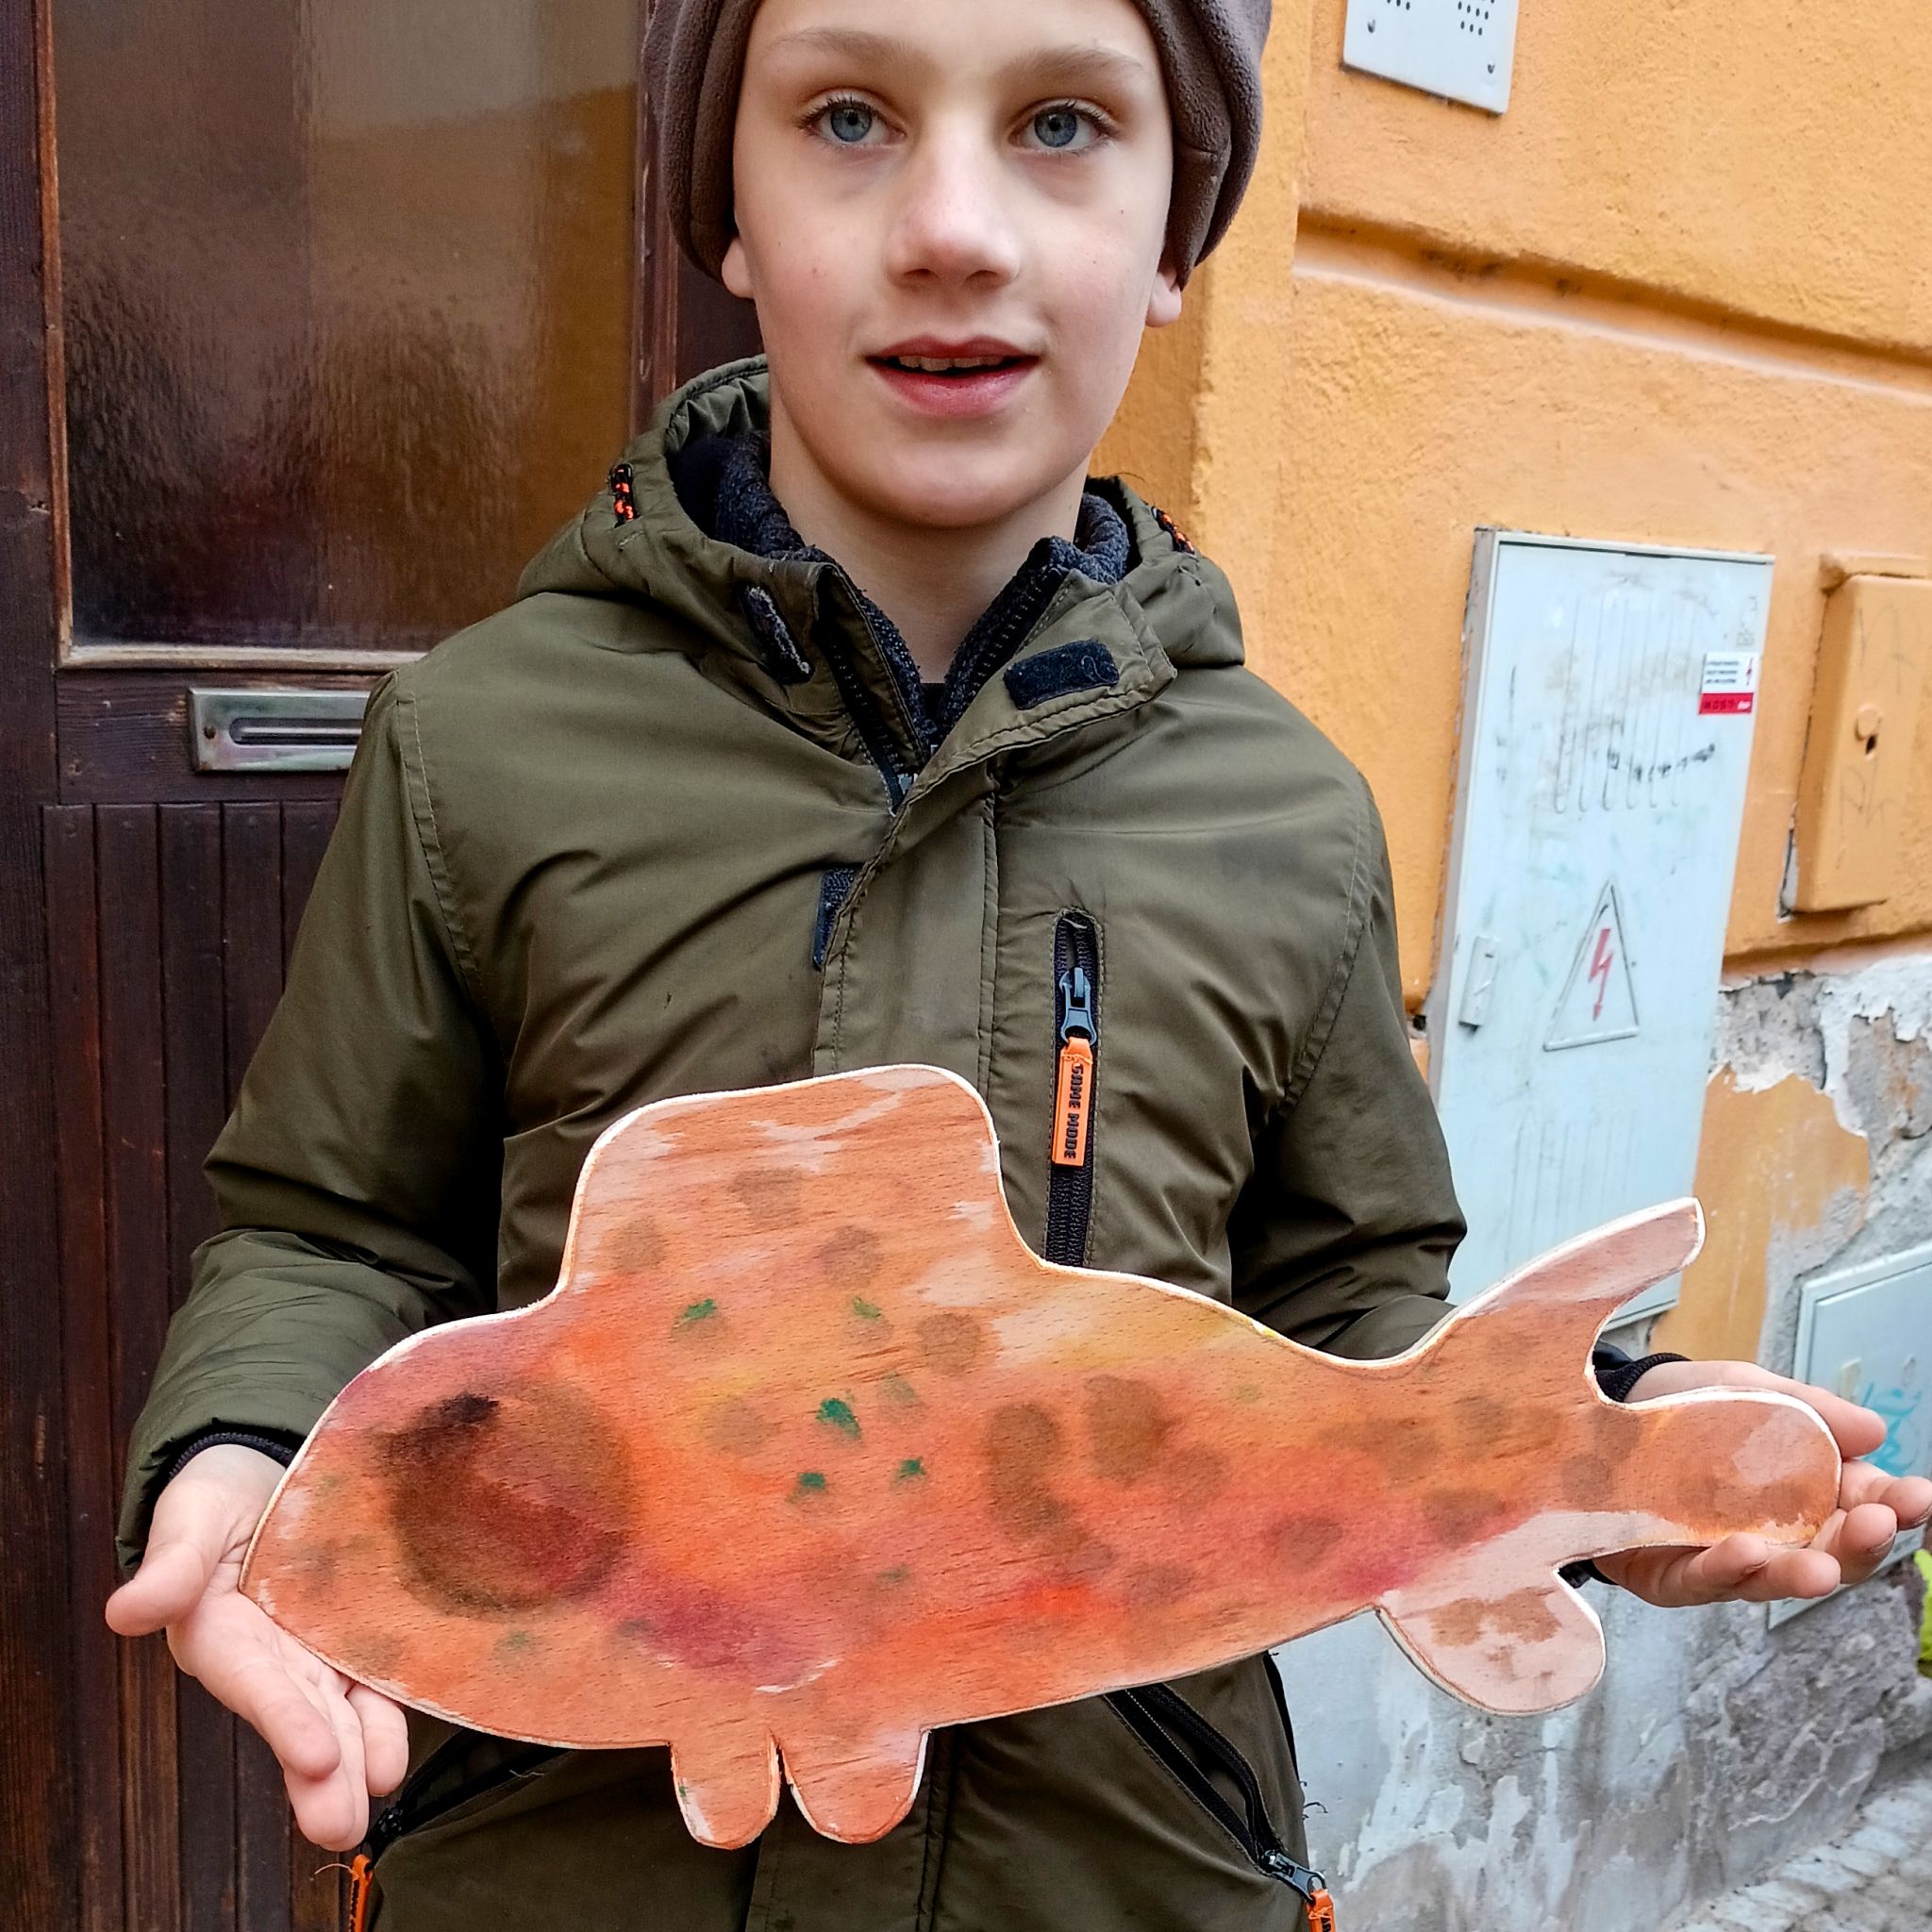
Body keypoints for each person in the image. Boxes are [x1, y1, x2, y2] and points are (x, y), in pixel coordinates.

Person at [104, 0, 1932, 1926]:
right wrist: (244, 1446)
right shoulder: (477, 746)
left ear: (1177, 231)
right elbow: (334, 1227)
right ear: (725, 207)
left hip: (1126, 1873)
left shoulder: (1290, 812)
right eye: (845, 116)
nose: (952, 228)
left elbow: (1353, 1296)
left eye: (1061, 122)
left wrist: (1582, 1460)